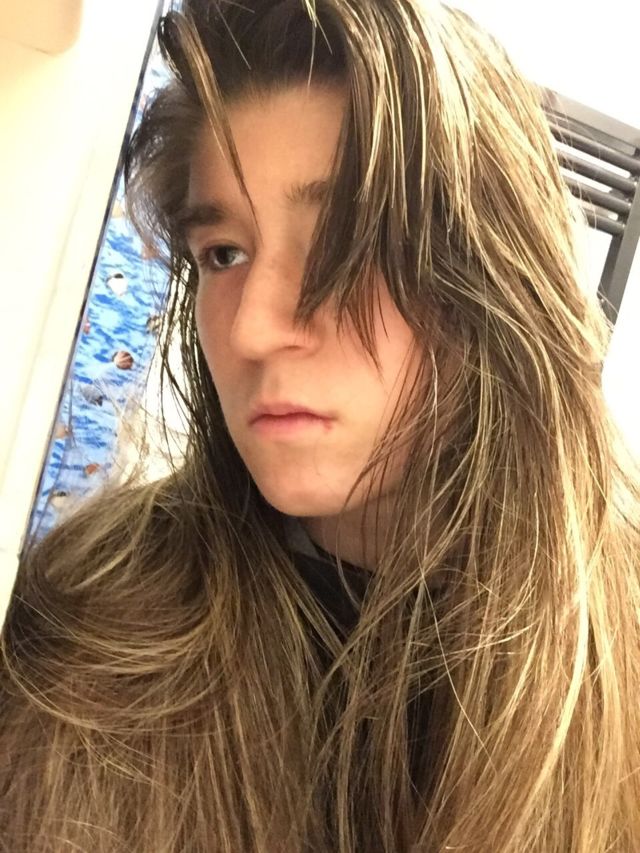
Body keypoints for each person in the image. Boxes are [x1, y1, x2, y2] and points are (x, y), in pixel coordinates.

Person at [1, 1, 639, 850]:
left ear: (494, 276)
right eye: (223, 253)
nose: (250, 328)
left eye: (343, 238)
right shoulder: (90, 621)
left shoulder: (619, 649)